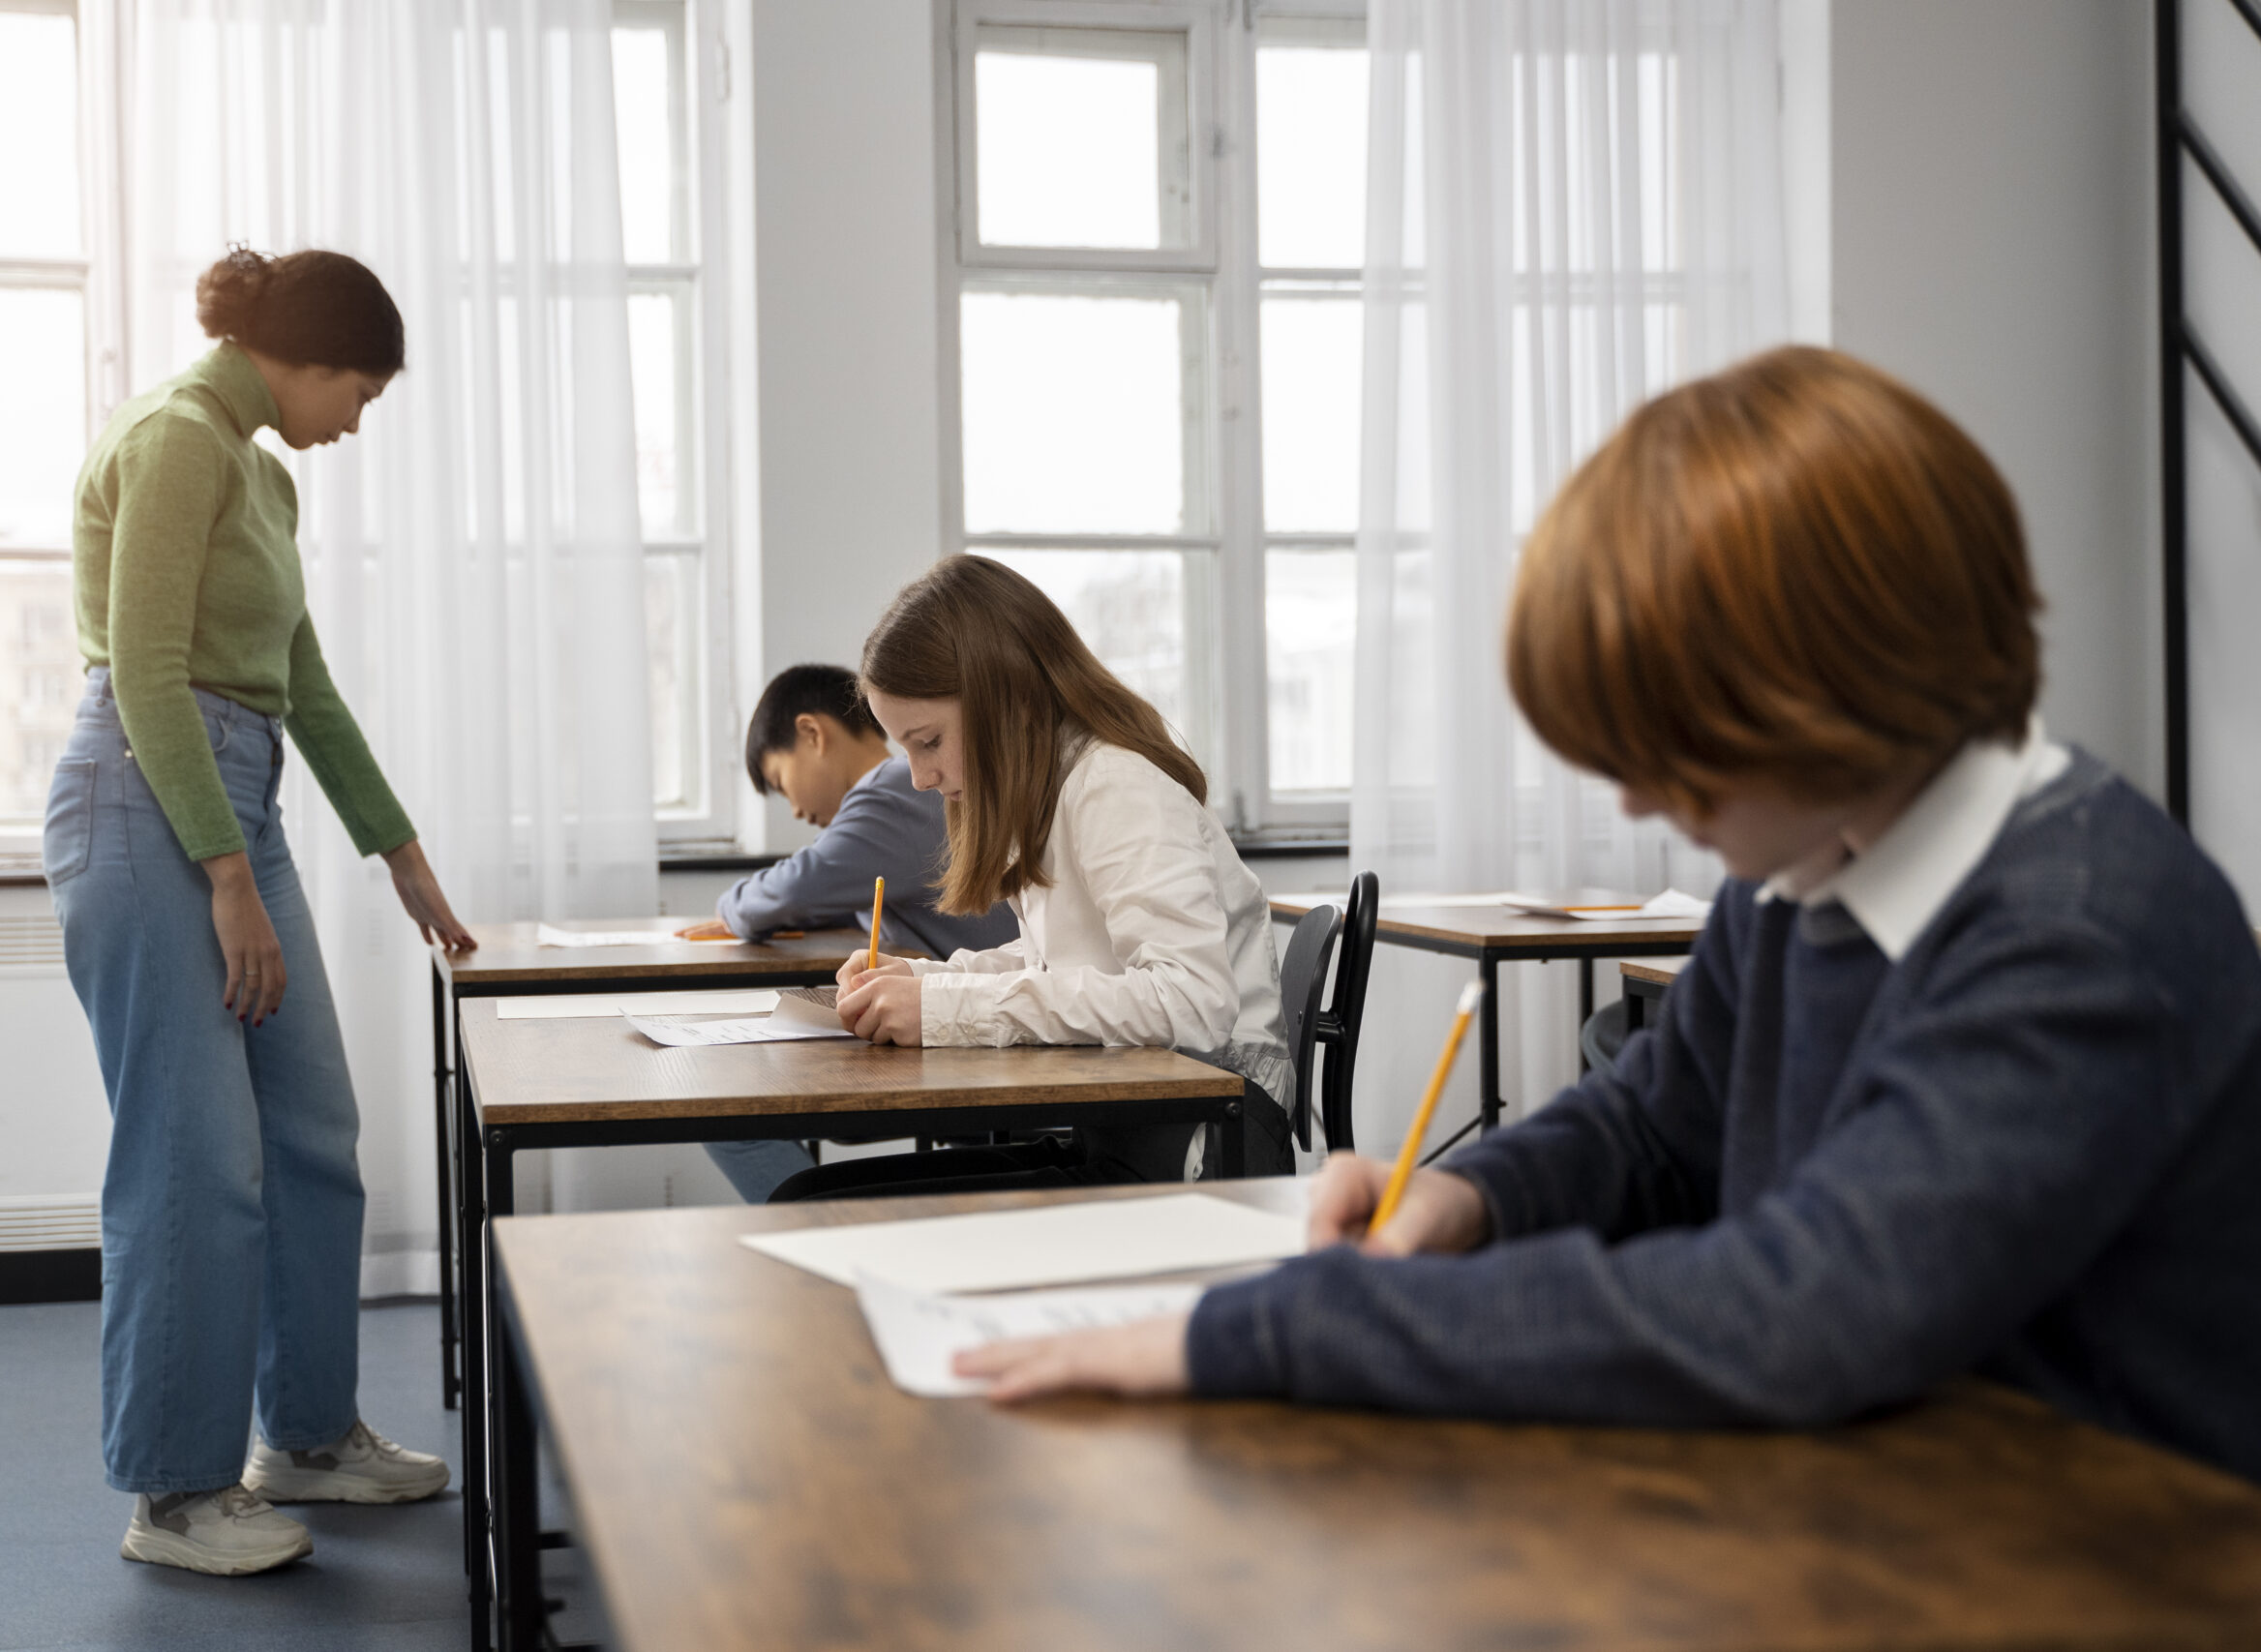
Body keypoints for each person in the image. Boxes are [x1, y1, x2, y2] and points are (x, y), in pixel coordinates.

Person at [953, 346, 2261, 1487]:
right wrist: (1466, 1198)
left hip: (2113, 1556)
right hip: (1897, 1497)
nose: (1636, 792)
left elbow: (1806, 1309)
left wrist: (1265, 1331)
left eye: (1676, 743)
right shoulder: (1807, 872)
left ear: (1838, 686)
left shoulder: (2081, 931)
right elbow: (1651, 1119)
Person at [46, 247, 475, 1575]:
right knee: (194, 1156)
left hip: (246, 796)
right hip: (145, 797)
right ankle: (174, 1492)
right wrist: (225, 873)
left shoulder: (263, 471)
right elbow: (152, 675)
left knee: (312, 1130)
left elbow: (307, 686)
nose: (358, 416)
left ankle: (306, 1433)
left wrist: (399, 851)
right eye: (359, 386)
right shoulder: (176, 439)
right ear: (304, 356)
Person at [772, 556, 1295, 1201]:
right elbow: (1068, 961)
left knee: (810, 1207)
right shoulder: (1058, 787)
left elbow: (1192, 1002)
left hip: (1203, 1149)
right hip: (1130, 1127)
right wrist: (926, 980)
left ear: (1006, 697)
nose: (918, 776)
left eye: (928, 741)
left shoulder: (1115, 783)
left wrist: (945, 1009)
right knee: (803, 1197)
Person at [694, 663, 1019, 1202]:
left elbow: (794, 890)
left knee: (723, 1106)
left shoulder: (892, 793)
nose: (796, 809)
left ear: (812, 734)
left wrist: (729, 906)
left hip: (984, 1038)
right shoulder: (903, 798)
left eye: (782, 782)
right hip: (965, 1024)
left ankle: (815, 1231)